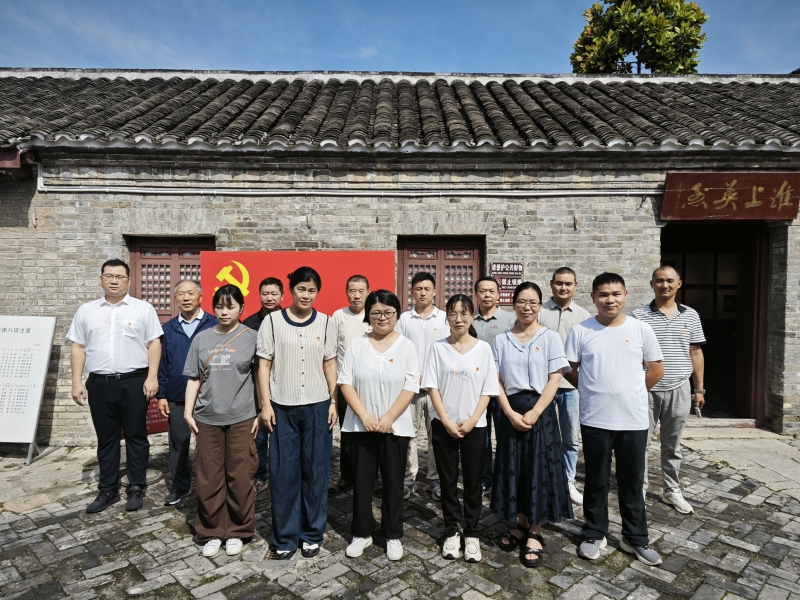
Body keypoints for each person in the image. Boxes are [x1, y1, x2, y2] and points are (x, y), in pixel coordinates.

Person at [564, 272, 665, 567]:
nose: (610, 300)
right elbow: (570, 369)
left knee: (631, 482)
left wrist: (631, 392)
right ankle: (594, 532)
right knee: (596, 480)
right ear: (593, 298)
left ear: (625, 296)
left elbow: (656, 370)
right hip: (595, 418)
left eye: (616, 294)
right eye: (604, 294)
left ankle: (635, 537)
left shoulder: (641, 329)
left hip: (633, 419)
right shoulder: (581, 331)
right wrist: (591, 390)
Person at [67, 259, 163, 514]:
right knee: (106, 438)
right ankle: (107, 489)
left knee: (136, 436)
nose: (114, 281)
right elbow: (78, 346)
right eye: (109, 276)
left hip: (134, 382)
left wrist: (152, 377)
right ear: (100, 279)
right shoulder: (86, 311)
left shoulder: (142, 309)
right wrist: (76, 381)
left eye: (119, 277)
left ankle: (136, 487)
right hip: (99, 383)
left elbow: (154, 343)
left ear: (128, 281)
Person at [257, 266, 338, 560]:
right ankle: (285, 537)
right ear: (291, 290)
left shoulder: (326, 322)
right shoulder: (273, 322)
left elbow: (330, 363)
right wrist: (265, 404)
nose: (306, 295)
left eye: (312, 290)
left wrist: (333, 401)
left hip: (318, 405)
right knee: (283, 472)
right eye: (301, 289)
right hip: (282, 406)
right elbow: (264, 364)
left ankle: (312, 534)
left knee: (316, 471)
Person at [492, 282, 573, 568]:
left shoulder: (550, 337)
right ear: (513, 304)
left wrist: (536, 412)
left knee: (539, 468)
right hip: (510, 411)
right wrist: (509, 413)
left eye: (533, 302)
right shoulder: (501, 340)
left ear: (540, 305)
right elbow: (496, 381)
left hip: (541, 411)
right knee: (515, 467)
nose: (527, 307)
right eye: (522, 302)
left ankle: (536, 531)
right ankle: (521, 523)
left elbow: (555, 378)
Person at [339, 290, 418, 561]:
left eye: (388, 312)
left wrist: (389, 417)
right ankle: (362, 532)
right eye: (376, 313)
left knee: (393, 482)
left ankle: (392, 534)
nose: (382, 317)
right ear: (368, 315)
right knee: (362, 482)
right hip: (361, 426)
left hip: (395, 427)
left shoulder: (406, 346)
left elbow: (411, 384)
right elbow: (345, 382)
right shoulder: (357, 345)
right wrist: (364, 415)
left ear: (397, 314)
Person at [183, 284, 260, 558]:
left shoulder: (252, 337)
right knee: (208, 476)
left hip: (242, 417)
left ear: (242, 308)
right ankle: (212, 532)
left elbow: (260, 377)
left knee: (240, 475)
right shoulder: (202, 338)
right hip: (207, 417)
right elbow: (194, 378)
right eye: (219, 306)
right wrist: (188, 412)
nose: (224, 312)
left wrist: (261, 411)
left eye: (230, 306)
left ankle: (238, 530)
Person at [425, 294, 499, 563]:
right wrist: (445, 420)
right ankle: (451, 529)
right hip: (443, 425)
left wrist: (472, 419)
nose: (458, 319)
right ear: (446, 316)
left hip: (475, 426)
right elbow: (432, 386)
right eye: (453, 313)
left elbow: (488, 390)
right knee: (447, 480)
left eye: (464, 313)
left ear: (472, 316)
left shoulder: (484, 349)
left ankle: (472, 531)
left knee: (473, 481)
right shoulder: (437, 348)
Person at [632, 266, 706, 515]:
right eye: (660, 280)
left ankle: (671, 490)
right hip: (647, 387)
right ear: (652, 284)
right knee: (640, 442)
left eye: (670, 280)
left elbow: (696, 353)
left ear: (679, 284)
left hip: (679, 387)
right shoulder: (639, 316)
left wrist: (699, 389)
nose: (665, 285)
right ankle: (639, 489)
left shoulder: (690, 315)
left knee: (672, 444)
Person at [156, 280, 217, 506]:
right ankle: (180, 486)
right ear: (176, 299)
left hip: (210, 397)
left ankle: (210, 487)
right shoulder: (168, 329)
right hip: (177, 396)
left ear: (200, 297)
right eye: (181, 294)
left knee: (210, 446)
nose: (186, 297)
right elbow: (162, 364)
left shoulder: (214, 324)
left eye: (191, 293)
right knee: (179, 444)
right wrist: (162, 395)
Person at [537, 267, 591, 506]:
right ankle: (545, 478)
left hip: (571, 386)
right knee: (543, 435)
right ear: (551, 284)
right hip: (544, 385)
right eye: (559, 283)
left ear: (576, 286)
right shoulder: (539, 312)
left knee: (570, 437)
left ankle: (568, 481)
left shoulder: (583, 315)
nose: (563, 287)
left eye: (568, 284)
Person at [395, 272, 449, 500]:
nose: (423, 293)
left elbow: (450, 351)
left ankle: (436, 479)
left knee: (437, 436)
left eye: (427, 289)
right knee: (409, 436)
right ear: (412, 292)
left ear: (435, 291)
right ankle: (409, 480)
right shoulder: (404, 319)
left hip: (438, 389)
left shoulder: (444, 318)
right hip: (411, 389)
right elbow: (397, 349)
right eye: (418, 289)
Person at [472, 276, 516, 496]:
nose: (487, 295)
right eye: (483, 291)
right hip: (476, 388)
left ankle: (503, 477)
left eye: (491, 291)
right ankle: (484, 478)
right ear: (476, 294)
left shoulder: (509, 320)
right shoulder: (470, 319)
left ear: (498, 294)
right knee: (482, 435)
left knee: (504, 433)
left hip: (501, 387)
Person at [329, 275, 372, 496]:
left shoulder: (374, 314)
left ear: (368, 292)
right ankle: (347, 477)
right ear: (346, 292)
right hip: (346, 384)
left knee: (371, 430)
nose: (356, 295)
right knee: (347, 432)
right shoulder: (339, 316)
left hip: (371, 384)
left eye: (361, 291)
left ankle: (372, 477)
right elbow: (332, 352)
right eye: (352, 291)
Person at [243, 277, 285, 496]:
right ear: (259, 296)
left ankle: (282, 475)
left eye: (274, 294)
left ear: (282, 296)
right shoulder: (249, 323)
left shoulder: (289, 319)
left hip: (284, 383)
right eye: (265, 294)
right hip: (257, 385)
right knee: (258, 434)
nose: (269, 298)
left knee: (282, 433)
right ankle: (260, 476)